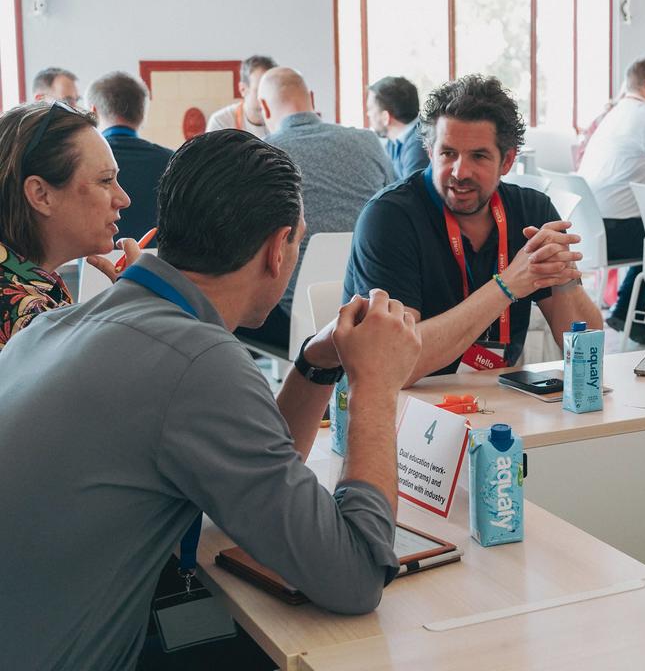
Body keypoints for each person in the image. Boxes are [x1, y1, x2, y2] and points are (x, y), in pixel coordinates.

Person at [0, 130, 418, 670]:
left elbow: (260, 472)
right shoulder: (197, 360)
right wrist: (377, 388)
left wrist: (316, 365)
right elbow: (357, 577)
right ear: (277, 249)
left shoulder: (71, 319)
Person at [344, 74, 601, 382]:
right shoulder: (389, 218)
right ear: (429, 151)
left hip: (495, 401)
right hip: (401, 403)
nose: (459, 171)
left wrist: (562, 279)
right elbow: (393, 365)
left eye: (478, 156)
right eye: (448, 153)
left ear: (506, 162)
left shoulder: (532, 211)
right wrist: (506, 286)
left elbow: (588, 352)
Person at [237, 67, 394, 352]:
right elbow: (393, 209)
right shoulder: (368, 141)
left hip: (292, 317)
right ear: (311, 97)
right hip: (369, 308)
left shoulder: (261, 155)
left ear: (263, 108)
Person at [0, 101, 131, 351]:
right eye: (105, 180)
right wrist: (142, 309)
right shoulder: (26, 315)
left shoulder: (38, 284)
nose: (124, 199)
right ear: (41, 195)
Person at [577, 55, 645, 342]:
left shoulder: (614, 115)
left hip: (588, 229)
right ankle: (641, 318)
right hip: (615, 234)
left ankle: (625, 310)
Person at [86, 71, 172, 246]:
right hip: (159, 270)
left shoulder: (81, 162)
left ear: (93, 111)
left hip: (94, 268)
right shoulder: (174, 162)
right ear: (143, 114)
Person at [367, 75, 429, 180]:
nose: (368, 114)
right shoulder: (394, 141)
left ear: (385, 117)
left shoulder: (418, 144)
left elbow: (411, 193)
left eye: (370, 109)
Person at [206, 54, 277, 138]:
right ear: (243, 89)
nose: (268, 97)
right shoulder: (221, 123)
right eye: (261, 90)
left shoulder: (283, 121)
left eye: (272, 90)